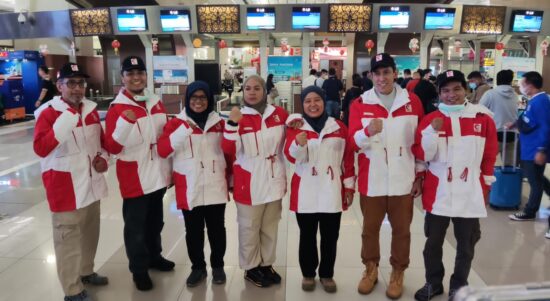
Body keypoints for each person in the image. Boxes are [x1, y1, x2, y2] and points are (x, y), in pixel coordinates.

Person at [412, 70, 498, 301]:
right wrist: (432, 132)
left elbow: (490, 154)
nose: (452, 95)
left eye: (457, 89)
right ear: (439, 93)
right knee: (433, 243)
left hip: (469, 189)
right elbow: (421, 154)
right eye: (446, 90)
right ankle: (433, 282)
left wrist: (486, 185)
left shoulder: (482, 118)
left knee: (466, 244)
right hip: (438, 190)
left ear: (466, 89)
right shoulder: (430, 120)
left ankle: (459, 285)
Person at [349, 53, 424, 299]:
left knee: (402, 230)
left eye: (386, 72)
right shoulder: (360, 103)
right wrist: (366, 132)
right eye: (377, 73)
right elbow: (352, 142)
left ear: (394, 73)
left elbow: (421, 141)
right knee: (369, 229)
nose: (382, 78)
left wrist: (419, 174)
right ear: (370, 76)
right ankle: (370, 269)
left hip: (403, 178)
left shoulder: (412, 101)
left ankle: (397, 272)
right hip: (373, 179)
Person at [33, 63, 109, 301]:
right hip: (65, 188)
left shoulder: (91, 110)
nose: (77, 89)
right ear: (59, 86)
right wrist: (66, 120)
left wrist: (103, 159)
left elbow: (101, 144)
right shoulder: (47, 112)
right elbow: (41, 148)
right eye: (71, 83)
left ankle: (86, 271)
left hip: (91, 185)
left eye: (81, 83)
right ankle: (72, 289)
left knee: (90, 234)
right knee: (67, 242)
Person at [104, 56, 174, 291]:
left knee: (156, 222)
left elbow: (163, 136)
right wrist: (124, 122)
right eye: (130, 73)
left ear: (146, 76)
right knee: (136, 227)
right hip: (135, 177)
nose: (136, 77)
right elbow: (112, 148)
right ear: (122, 78)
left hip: (157, 174)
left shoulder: (155, 102)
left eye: (140, 73)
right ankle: (139, 269)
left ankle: (155, 256)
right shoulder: (117, 108)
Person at [157, 81, 230, 287]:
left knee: (217, 230)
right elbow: (163, 150)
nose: (198, 101)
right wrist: (184, 130)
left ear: (209, 100)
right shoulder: (175, 124)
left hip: (215, 184)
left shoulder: (219, 123)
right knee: (193, 231)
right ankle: (198, 267)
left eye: (203, 97)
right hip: (189, 186)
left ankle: (218, 266)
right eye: (194, 97)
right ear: (188, 99)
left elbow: (229, 151)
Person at [284, 86, 355, 293]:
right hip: (305, 188)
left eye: (317, 100)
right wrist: (298, 144)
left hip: (331, 189)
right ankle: (308, 273)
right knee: (307, 235)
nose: (312, 105)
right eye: (307, 101)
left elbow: (348, 159)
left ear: (324, 102)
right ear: (302, 104)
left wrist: (349, 187)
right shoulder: (295, 127)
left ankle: (326, 274)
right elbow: (290, 157)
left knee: (330, 236)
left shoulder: (339, 127)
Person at [222, 75, 288, 287]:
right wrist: (232, 124)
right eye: (248, 88)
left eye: (256, 88)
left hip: (274, 178)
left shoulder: (279, 114)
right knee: (249, 227)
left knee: (270, 226)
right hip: (248, 182)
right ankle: (251, 267)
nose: (252, 92)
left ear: (264, 91)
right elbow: (228, 150)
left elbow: (293, 137)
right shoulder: (238, 117)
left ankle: (266, 263)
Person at [508, 71, 550, 221]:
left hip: (535, 148)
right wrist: (514, 124)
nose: (519, 86)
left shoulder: (541, 101)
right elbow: (529, 119)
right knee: (536, 177)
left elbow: (546, 127)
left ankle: (530, 211)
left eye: (521, 84)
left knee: (534, 181)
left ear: (530, 86)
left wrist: (541, 150)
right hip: (529, 146)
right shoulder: (534, 100)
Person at [480, 69, 518, 166]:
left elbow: (479, 110)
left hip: (495, 133)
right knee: (509, 166)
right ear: (510, 81)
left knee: (485, 162)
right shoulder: (515, 95)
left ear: (497, 80)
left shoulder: (490, 93)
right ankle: (508, 181)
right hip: (513, 133)